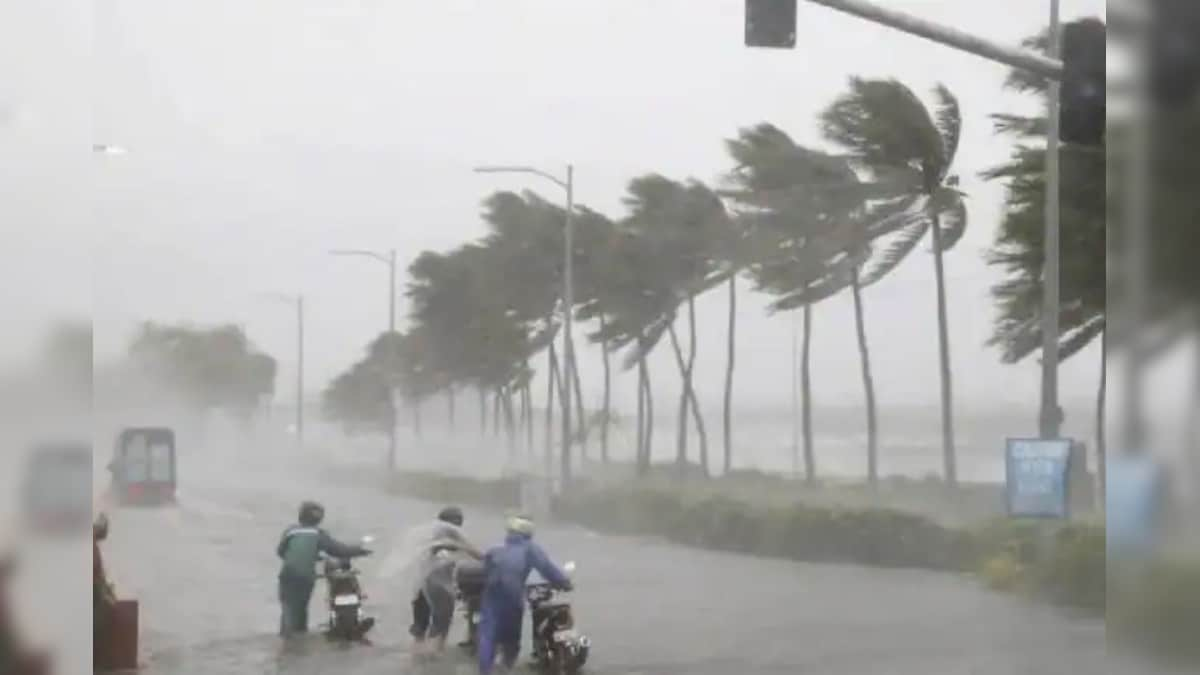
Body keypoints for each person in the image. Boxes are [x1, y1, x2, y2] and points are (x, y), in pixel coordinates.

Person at [477, 513, 571, 675]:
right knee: (511, 638)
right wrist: (564, 583)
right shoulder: (530, 549)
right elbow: (547, 569)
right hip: (513, 597)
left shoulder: (494, 549)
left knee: (488, 636)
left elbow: (485, 571)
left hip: (491, 596)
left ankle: (486, 671)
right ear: (529, 532)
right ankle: (506, 668)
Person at [276, 501, 371, 637]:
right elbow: (339, 550)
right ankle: (299, 639)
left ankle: (288, 642)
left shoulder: (290, 531)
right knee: (302, 608)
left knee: (288, 609)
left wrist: (303, 557)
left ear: (300, 515)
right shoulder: (318, 534)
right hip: (306, 577)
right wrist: (360, 551)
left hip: (288, 575)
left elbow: (280, 552)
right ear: (319, 519)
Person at [409, 505, 483, 655]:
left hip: (420, 586)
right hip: (438, 588)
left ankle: (417, 657)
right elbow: (473, 553)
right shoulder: (451, 538)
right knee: (440, 624)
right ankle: (433, 658)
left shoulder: (430, 535)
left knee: (420, 626)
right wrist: (489, 558)